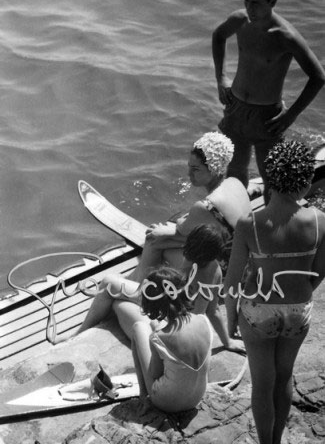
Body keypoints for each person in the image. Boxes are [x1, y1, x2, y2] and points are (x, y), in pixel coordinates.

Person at [223, 140, 325, 444]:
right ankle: (277, 441)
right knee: (284, 377)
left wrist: (231, 321)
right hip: (298, 310)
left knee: (262, 383)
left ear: (270, 178)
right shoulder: (320, 222)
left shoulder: (250, 224)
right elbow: (319, 271)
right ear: (306, 181)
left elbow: (232, 282)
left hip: (257, 312)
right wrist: (301, 291)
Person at [212, 0, 325, 202]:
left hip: (267, 118)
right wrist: (220, 78)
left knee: (271, 179)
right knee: (234, 172)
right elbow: (218, 36)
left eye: (255, 3)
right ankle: (237, 221)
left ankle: (270, 227)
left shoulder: (285, 36)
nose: (249, 8)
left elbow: (318, 77)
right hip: (235, 107)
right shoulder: (240, 20)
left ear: (272, 2)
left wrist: (291, 115)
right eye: (245, 1)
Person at [55, 224, 245, 354]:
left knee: (114, 297)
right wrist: (227, 342)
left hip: (164, 331)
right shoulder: (214, 270)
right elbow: (212, 311)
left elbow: (173, 310)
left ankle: (78, 334)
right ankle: (81, 331)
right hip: (170, 319)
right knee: (111, 286)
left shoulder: (191, 267)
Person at [130, 131, 251, 283]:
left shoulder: (207, 205)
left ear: (214, 169)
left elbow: (182, 228)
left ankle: (139, 290)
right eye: (189, 167)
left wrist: (169, 228)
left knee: (154, 239)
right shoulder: (236, 182)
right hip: (245, 262)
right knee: (164, 237)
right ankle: (141, 281)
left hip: (224, 271)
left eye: (195, 169)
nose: (189, 174)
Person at [132, 266, 212, 412]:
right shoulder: (204, 321)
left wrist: (155, 335)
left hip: (167, 402)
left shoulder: (158, 338)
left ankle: (143, 396)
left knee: (138, 327)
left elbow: (154, 374)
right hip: (196, 397)